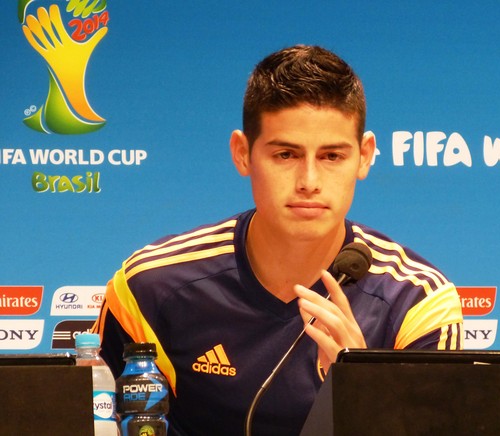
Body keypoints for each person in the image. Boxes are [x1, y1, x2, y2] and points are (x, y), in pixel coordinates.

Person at [93, 44, 464, 436]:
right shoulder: (150, 289)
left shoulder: (418, 303)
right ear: (242, 154)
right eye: (286, 155)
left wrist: (362, 391)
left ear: (365, 156)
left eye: (332, 156)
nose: (309, 181)